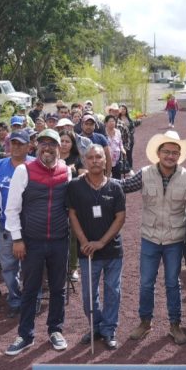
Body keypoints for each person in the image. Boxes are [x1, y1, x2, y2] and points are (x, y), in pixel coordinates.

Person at [119, 130, 186, 344]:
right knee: (146, 283)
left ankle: (175, 324)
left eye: (174, 153)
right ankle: (145, 322)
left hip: (174, 239)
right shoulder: (145, 173)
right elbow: (123, 186)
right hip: (150, 237)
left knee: (172, 283)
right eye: (167, 152)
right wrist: (96, 181)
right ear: (158, 153)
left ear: (179, 156)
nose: (170, 156)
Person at [3, 129, 73, 356]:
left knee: (58, 288)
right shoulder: (24, 170)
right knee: (30, 289)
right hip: (31, 242)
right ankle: (25, 335)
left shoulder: (66, 171)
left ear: (59, 148)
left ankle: (55, 330)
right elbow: (12, 208)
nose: (47, 148)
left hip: (59, 241)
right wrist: (17, 239)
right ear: (36, 147)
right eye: (42, 143)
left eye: (51, 144)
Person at [67, 145, 126, 350]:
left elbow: (120, 217)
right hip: (87, 252)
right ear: (84, 161)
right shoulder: (74, 186)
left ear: (105, 160)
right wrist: (83, 241)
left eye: (98, 157)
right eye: (90, 157)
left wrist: (101, 242)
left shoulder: (115, 187)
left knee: (113, 291)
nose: (94, 161)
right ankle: (96, 325)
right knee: (88, 296)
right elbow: (72, 214)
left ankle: (109, 329)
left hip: (112, 251)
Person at [0, 130, 34, 319]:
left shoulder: (35, 165)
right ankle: (15, 299)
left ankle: (32, 299)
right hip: (6, 226)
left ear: (28, 146)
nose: (15, 147)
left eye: (20, 144)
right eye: (12, 143)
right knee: (8, 267)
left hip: (31, 227)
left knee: (32, 267)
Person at [104, 114, 125, 179]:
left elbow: (120, 143)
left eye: (113, 121)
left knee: (117, 176)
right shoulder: (103, 133)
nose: (112, 123)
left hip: (117, 158)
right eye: (110, 121)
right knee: (107, 176)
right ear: (106, 123)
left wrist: (123, 149)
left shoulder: (118, 132)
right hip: (106, 158)